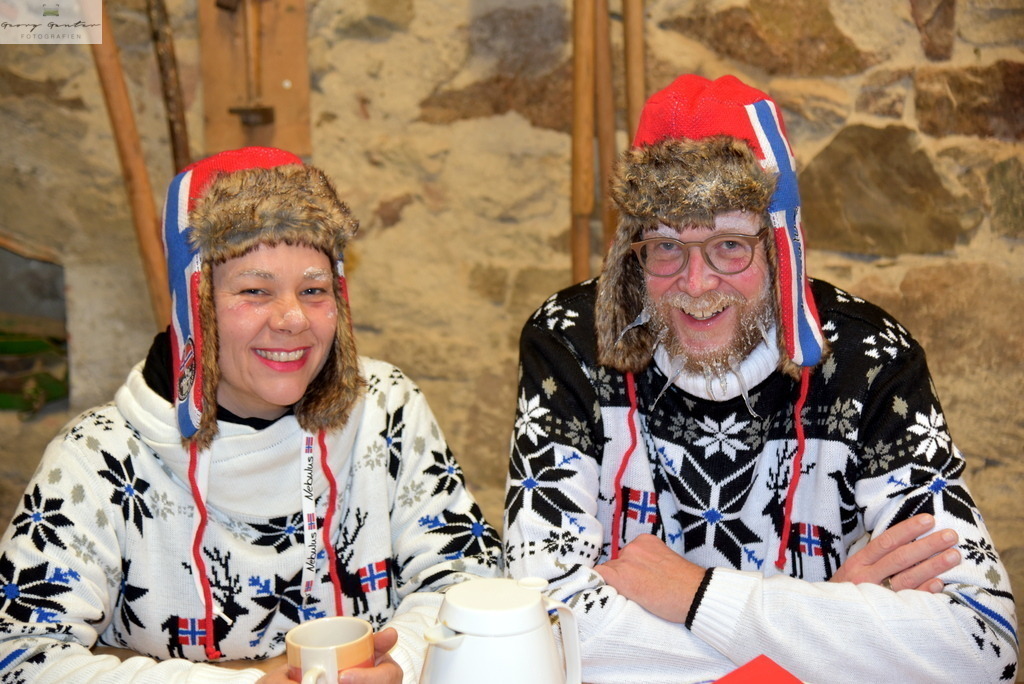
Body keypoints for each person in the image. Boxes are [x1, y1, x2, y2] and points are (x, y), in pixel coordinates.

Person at [502, 74, 1018, 682]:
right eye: (665, 246)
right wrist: (821, 624)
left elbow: (982, 642)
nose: (696, 284)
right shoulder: (570, 340)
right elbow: (545, 624)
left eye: (729, 244)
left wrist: (697, 595)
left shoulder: (871, 359)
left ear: (778, 245)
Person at [0, 146, 502, 683]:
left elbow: (469, 576)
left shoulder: (385, 409)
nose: (292, 318)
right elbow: (19, 654)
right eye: (255, 290)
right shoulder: (97, 460)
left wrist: (404, 661)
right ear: (194, 302)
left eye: (313, 290)